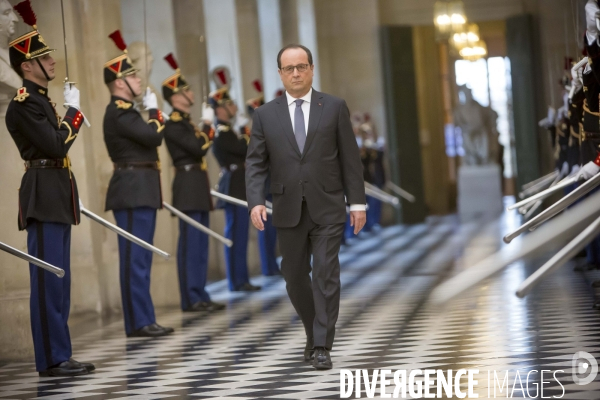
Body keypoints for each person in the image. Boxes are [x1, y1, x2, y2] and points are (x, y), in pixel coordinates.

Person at [246, 44, 366, 370]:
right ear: (281, 74)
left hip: (327, 205)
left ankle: (322, 344)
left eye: (302, 66)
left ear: (312, 69)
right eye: (289, 68)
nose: (296, 73)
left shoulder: (334, 107)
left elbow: (350, 160)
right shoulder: (265, 115)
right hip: (286, 208)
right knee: (295, 277)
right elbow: (255, 163)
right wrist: (256, 201)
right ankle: (314, 334)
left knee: (325, 275)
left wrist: (357, 203)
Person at [5, 0, 93, 376]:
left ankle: (61, 352)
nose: (52, 62)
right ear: (27, 66)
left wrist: (67, 114)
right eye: (44, 58)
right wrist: (73, 114)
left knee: (60, 279)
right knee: (47, 279)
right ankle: (52, 358)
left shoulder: (41, 101)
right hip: (42, 193)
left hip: (56, 191)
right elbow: (56, 146)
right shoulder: (24, 104)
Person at [102, 30, 173, 337]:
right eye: (133, 76)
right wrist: (156, 112)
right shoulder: (119, 113)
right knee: (135, 261)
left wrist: (148, 111)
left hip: (140, 188)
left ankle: (143, 319)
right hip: (131, 190)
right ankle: (139, 322)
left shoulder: (129, 112)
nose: (139, 80)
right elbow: (153, 136)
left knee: (140, 258)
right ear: (120, 82)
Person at [161, 53, 225, 312]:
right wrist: (208, 125)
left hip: (196, 184)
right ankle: (191, 296)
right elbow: (198, 148)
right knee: (191, 244)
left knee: (200, 244)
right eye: (186, 90)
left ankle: (200, 292)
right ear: (176, 97)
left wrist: (204, 126)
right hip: (187, 185)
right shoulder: (173, 124)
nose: (191, 93)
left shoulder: (186, 122)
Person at [210, 84, 261, 292]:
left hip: (240, 185)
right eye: (229, 104)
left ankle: (242, 278)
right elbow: (246, 149)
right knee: (235, 234)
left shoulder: (229, 132)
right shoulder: (222, 133)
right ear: (220, 109)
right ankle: (235, 280)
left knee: (241, 234)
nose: (234, 107)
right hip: (233, 187)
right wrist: (245, 131)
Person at [247, 88, 280, 276]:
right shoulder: (254, 133)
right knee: (265, 230)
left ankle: (272, 264)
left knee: (272, 231)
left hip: (272, 185)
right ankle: (268, 266)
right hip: (264, 188)